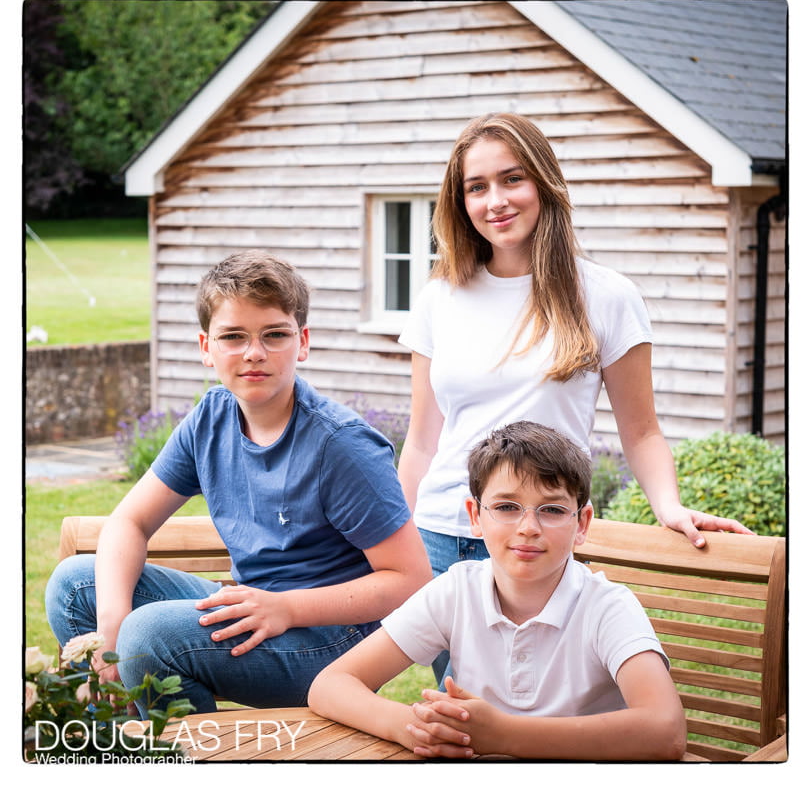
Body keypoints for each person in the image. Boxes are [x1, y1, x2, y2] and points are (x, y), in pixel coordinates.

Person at [397, 113, 752, 626]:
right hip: (438, 537)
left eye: (512, 178)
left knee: (528, 700)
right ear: (461, 202)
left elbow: (642, 429)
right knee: (457, 702)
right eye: (477, 187)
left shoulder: (606, 297)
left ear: (544, 182)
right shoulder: (440, 297)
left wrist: (669, 508)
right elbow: (423, 441)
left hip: (537, 535)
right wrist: (396, 530)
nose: (495, 200)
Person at [46, 251, 432, 718]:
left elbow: (410, 581)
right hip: (252, 608)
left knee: (147, 636)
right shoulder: (211, 418)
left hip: (331, 639)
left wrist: (286, 609)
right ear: (206, 348)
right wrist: (112, 627)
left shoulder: (340, 446)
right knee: (74, 585)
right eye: (233, 337)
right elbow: (129, 520)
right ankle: (139, 735)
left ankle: (194, 757)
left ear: (302, 342)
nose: (254, 352)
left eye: (274, 335)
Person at [308, 421, 687, 760]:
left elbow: (665, 730)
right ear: (475, 517)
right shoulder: (457, 591)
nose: (528, 527)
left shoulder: (607, 607)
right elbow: (330, 685)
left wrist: (504, 735)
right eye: (507, 507)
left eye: (552, 510)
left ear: (582, 523)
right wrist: (412, 727)